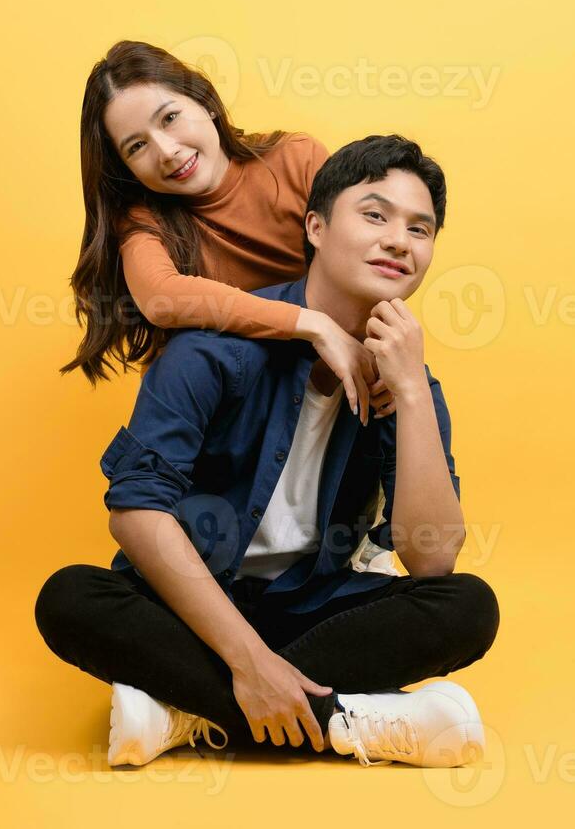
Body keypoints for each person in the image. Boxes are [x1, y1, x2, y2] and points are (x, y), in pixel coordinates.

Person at [36, 135, 499, 767]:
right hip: (192, 606)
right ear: (315, 225)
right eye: (374, 215)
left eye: (420, 229)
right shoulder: (212, 350)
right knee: (71, 597)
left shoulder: (408, 376)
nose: (399, 240)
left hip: (311, 607)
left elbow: (433, 556)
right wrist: (248, 661)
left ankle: (187, 714)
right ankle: (348, 721)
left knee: (468, 606)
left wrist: (413, 392)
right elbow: (136, 511)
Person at [61, 39, 392, 424]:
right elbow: (161, 297)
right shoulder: (144, 219)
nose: (166, 151)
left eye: (169, 118)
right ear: (126, 168)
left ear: (204, 101)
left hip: (335, 397)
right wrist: (312, 325)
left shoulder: (295, 160)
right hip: (229, 423)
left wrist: (384, 351)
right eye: (137, 146)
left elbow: (364, 258)